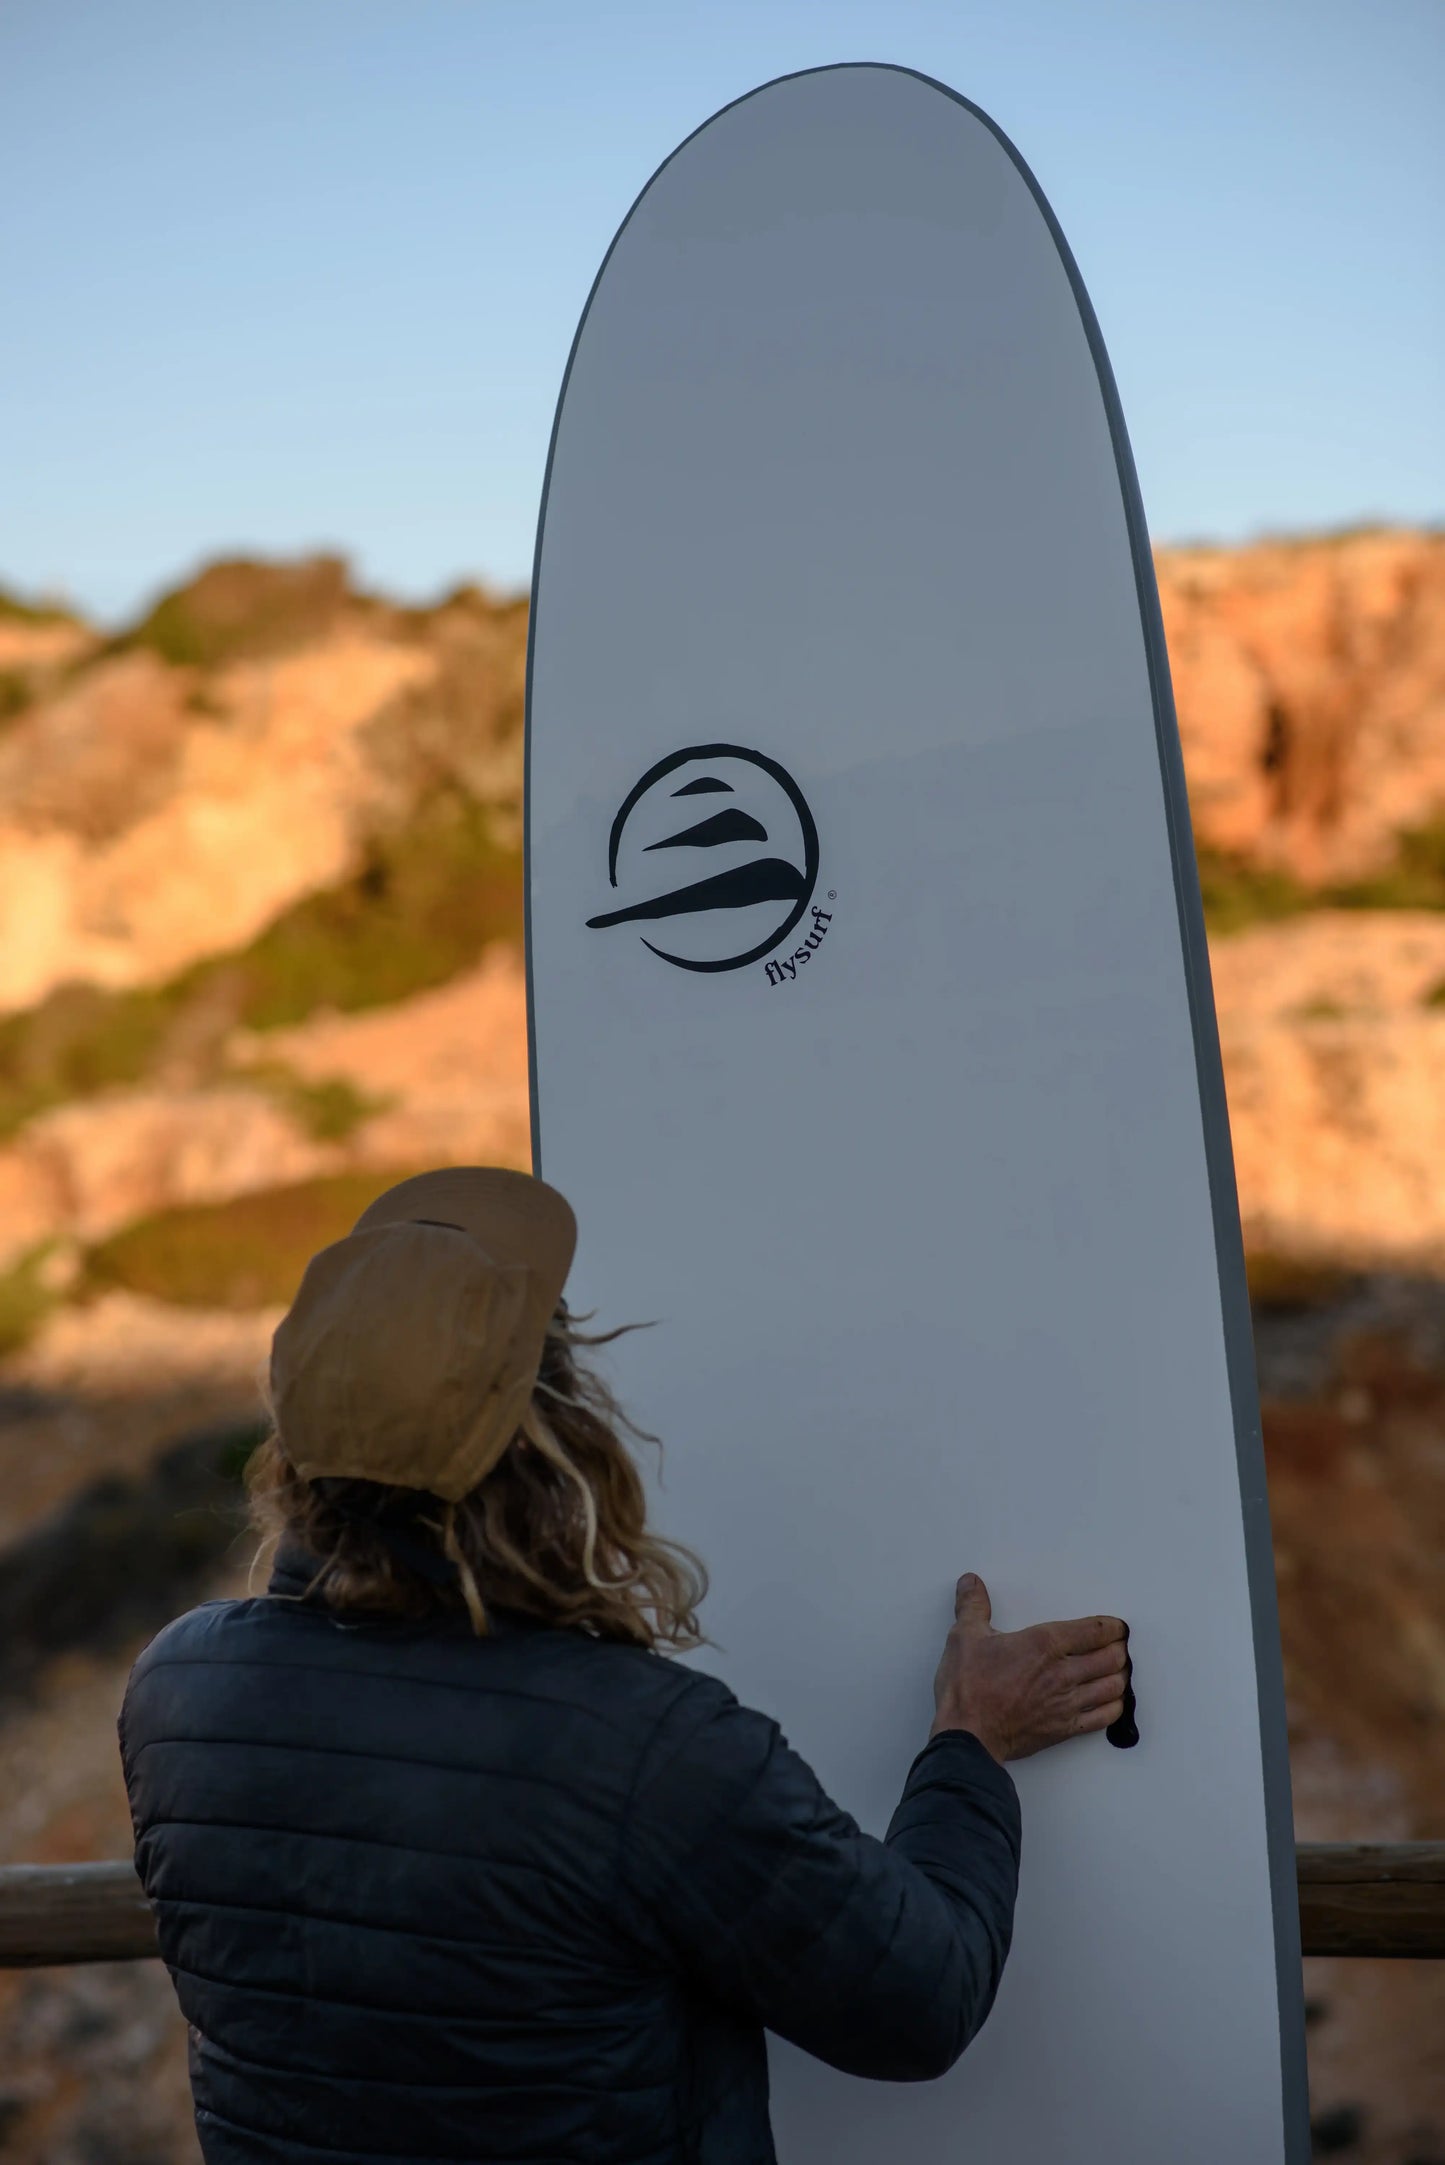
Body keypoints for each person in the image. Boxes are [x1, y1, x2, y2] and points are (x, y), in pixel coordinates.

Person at [119, 1166, 1130, 2165]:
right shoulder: (636, 1745)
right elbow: (919, 2000)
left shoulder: (175, 1693)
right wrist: (970, 1737)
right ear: (552, 1443)